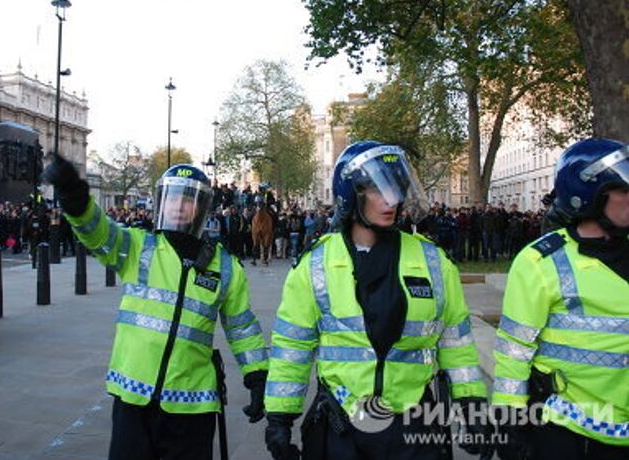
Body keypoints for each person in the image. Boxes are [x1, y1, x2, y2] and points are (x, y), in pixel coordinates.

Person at [264, 141, 491, 460]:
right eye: (376, 190)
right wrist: (279, 419)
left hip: (413, 426)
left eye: (395, 189)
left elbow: (456, 342)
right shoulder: (316, 263)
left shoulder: (433, 261)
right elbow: (292, 347)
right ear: (351, 195)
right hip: (342, 424)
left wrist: (472, 407)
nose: (390, 200)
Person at [43, 155, 269, 460]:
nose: (178, 206)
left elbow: (242, 326)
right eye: (172, 198)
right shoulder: (138, 247)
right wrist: (75, 197)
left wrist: (257, 375)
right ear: (161, 202)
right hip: (134, 397)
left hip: (193, 403)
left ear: (201, 208)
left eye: (187, 200)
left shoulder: (226, 267)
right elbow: (97, 233)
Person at [492, 138, 629, 460]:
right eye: (622, 190)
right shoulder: (541, 262)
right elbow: (514, 349)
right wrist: (509, 420)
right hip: (570, 428)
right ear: (589, 196)